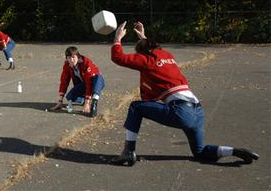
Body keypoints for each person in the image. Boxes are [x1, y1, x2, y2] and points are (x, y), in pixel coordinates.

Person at [111, 21, 259, 166]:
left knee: (136, 107)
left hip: (181, 110)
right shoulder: (167, 55)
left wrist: (118, 38)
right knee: (200, 152)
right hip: (198, 111)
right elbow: (154, 49)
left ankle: (128, 151)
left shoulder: (146, 60)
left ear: (143, 52)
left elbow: (118, 58)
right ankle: (234, 151)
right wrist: (143, 37)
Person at [49, 46, 105, 117]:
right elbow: (64, 81)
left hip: (95, 82)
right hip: (83, 85)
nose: (71, 60)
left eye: (73, 57)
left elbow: (89, 82)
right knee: (70, 97)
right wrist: (60, 101)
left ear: (78, 57)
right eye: (69, 58)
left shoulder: (86, 62)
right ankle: (84, 99)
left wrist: (87, 102)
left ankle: (94, 102)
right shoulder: (67, 65)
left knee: (98, 77)